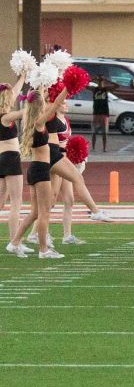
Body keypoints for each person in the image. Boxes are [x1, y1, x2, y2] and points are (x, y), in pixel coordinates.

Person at [12, 86, 70, 258]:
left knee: (35, 212)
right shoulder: (39, 123)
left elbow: (47, 101)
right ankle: (44, 250)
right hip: (41, 170)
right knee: (44, 213)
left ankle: (14, 243)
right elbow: (55, 105)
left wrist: (43, 84)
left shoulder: (30, 121)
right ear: (40, 106)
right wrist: (67, 87)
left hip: (35, 169)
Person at [0, 74, 28, 255]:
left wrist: (23, 75)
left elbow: (16, 92)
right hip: (10, 158)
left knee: (2, 203)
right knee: (16, 202)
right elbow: (26, 112)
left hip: (1, 158)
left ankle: (15, 241)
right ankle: (14, 242)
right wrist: (36, 99)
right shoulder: (6, 116)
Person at [91, 75, 117, 152]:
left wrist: (107, 80)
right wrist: (93, 79)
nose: (100, 83)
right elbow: (84, 85)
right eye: (99, 82)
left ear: (104, 82)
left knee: (104, 133)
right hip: (96, 114)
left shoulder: (106, 89)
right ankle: (93, 147)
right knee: (94, 132)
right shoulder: (94, 89)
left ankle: (104, 148)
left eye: (101, 82)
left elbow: (116, 86)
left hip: (104, 114)